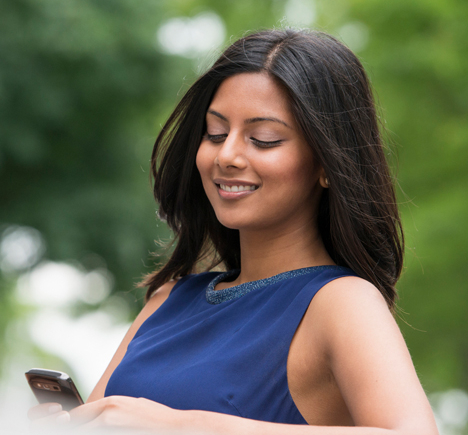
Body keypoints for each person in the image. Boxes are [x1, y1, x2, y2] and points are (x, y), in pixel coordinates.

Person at [28, 29, 439, 434]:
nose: (227, 155)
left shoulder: (340, 303)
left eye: (264, 139)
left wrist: (185, 426)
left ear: (327, 165)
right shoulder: (168, 299)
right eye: (216, 133)